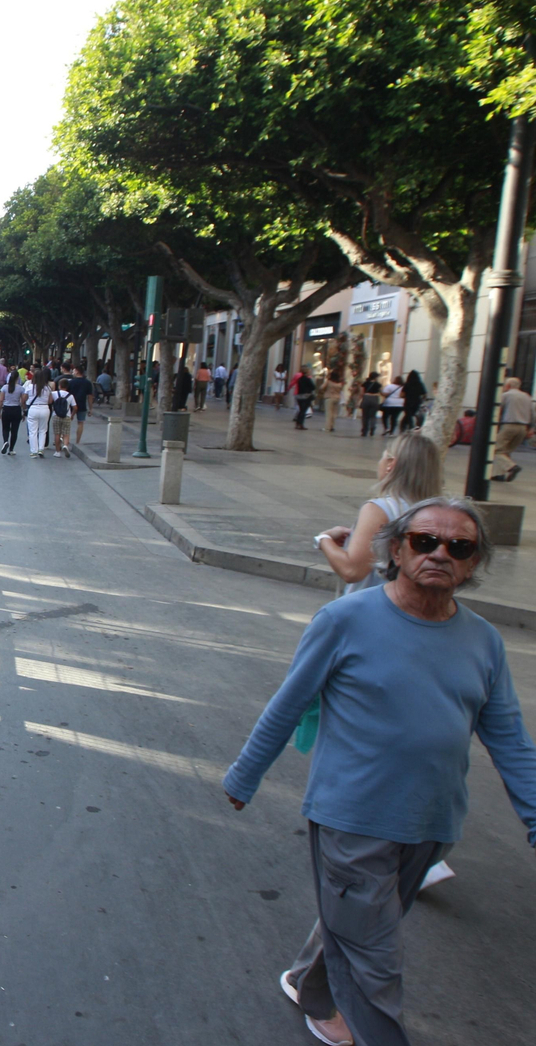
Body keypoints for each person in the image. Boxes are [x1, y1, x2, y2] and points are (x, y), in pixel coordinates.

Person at [224, 496, 536, 1046]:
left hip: (433, 824)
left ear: (473, 562)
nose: (440, 553)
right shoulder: (345, 620)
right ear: (395, 549)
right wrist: (244, 777)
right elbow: (288, 703)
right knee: (376, 962)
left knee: (364, 927)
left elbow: (508, 736)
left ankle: (308, 983)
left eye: (458, 546)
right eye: (424, 541)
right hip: (352, 818)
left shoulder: (483, 640)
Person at [318, 431, 441, 595]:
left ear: (391, 463)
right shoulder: (438, 511)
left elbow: (352, 571)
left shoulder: (379, 509)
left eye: (382, 458)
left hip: (375, 606)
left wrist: (323, 539)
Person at [491, 376, 532, 482]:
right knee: (506, 451)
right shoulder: (527, 396)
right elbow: (533, 414)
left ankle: (511, 467)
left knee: (496, 449)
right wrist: (531, 429)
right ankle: (499, 474)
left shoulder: (506, 395)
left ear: (508, 386)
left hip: (509, 425)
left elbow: (498, 409)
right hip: (523, 427)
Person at [23, 368, 55, 459]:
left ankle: (34, 451)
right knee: (43, 430)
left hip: (33, 408)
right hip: (44, 408)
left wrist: (24, 406)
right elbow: (50, 401)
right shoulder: (47, 388)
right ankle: (41, 449)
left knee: (32, 431)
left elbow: (24, 399)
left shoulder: (30, 387)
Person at [0, 367, 25, 456]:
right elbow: (22, 401)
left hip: (6, 409)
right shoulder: (21, 388)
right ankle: (11, 449)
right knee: (14, 430)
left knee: (5, 428)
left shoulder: (4, 387)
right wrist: (23, 411)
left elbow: (1, 400)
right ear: (18, 378)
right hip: (16, 409)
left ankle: (5, 441)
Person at [66, 366, 95, 444]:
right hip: (82, 404)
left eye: (74, 371)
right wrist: (90, 408)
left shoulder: (71, 382)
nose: (73, 372)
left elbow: (66, 394)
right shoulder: (87, 382)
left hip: (71, 405)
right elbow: (90, 396)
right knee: (81, 423)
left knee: (67, 423)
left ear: (77, 371)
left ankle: (65, 440)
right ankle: (77, 441)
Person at [49, 377, 76, 457]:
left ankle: (57, 452)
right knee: (66, 433)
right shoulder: (70, 396)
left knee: (57, 434)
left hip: (56, 415)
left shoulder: (54, 394)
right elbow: (75, 407)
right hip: (66, 416)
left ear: (59, 385)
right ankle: (65, 445)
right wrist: (72, 415)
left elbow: (49, 402)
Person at [358, 371, 382, 437]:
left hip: (366, 398)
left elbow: (361, 393)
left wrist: (359, 400)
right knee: (373, 416)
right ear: (376, 377)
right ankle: (372, 428)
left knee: (365, 416)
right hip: (374, 399)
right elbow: (381, 392)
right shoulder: (378, 384)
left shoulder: (365, 383)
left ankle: (364, 430)